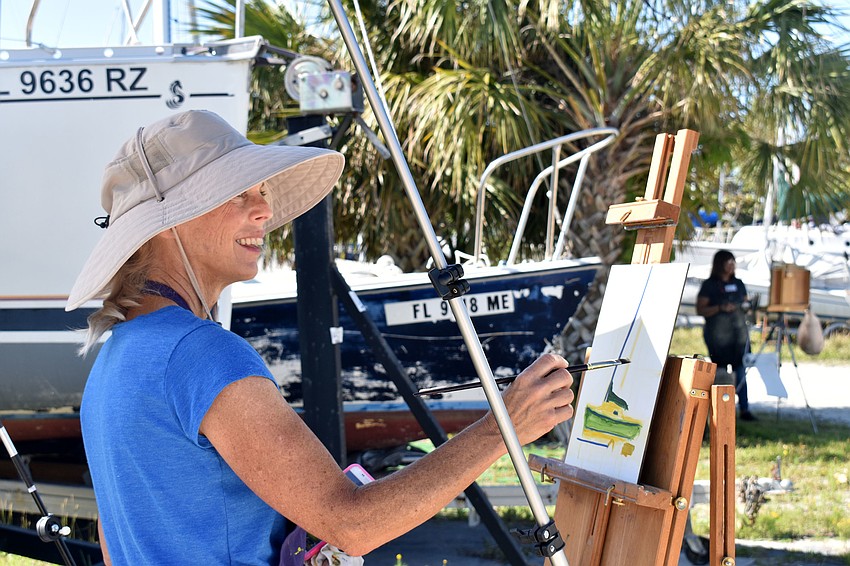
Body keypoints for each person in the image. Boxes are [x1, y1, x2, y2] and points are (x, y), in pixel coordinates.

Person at [66, 110, 575, 565]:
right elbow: (352, 524)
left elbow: (116, 547)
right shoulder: (201, 353)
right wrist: (501, 428)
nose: (263, 210)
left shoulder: (114, 360)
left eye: (261, 192)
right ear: (166, 223)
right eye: (236, 193)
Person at [696, 250, 755, 420]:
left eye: (733, 262)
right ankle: (719, 408)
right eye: (728, 262)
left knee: (741, 370)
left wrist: (746, 306)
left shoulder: (738, 283)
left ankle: (744, 409)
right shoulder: (710, 285)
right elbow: (701, 309)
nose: (731, 265)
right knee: (720, 371)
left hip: (738, 335)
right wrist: (720, 308)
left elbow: (746, 304)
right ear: (719, 264)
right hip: (718, 336)